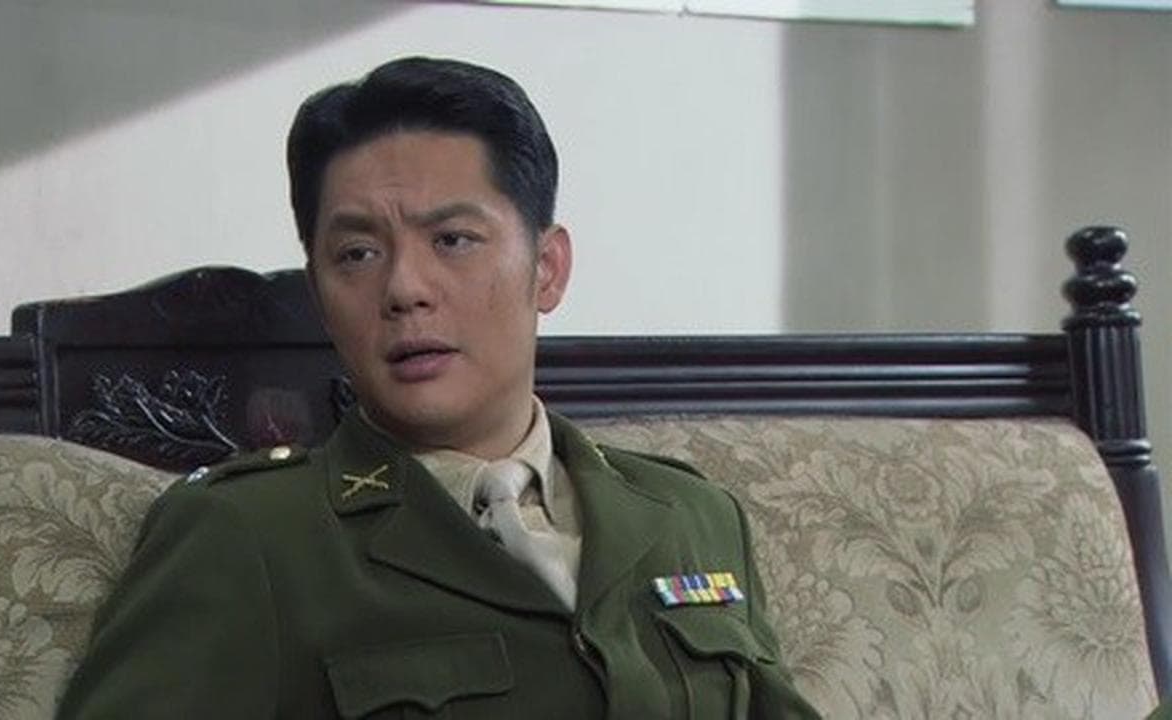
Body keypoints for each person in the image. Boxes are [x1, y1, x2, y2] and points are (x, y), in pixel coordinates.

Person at [57, 57, 819, 719]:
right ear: (320, 294)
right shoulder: (246, 536)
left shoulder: (690, 514)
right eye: (357, 254)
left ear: (547, 269)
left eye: (453, 240)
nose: (404, 289)